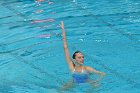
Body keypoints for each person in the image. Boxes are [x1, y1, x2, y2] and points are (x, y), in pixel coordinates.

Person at [59, 21, 106, 92]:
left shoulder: (87, 68)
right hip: (74, 82)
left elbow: (102, 73)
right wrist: (63, 30)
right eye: (79, 57)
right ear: (74, 59)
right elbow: (65, 47)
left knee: (95, 87)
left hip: (87, 81)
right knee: (59, 90)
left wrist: (96, 81)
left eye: (83, 57)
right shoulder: (71, 67)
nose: (82, 59)